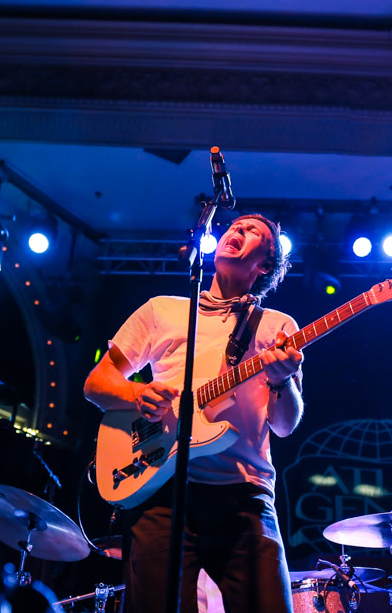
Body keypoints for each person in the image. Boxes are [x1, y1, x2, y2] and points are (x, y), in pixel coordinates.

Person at [84, 214, 304, 613]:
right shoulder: (162, 311)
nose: (237, 231)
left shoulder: (276, 326)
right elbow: (97, 384)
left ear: (265, 265)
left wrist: (282, 381)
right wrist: (138, 395)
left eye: (253, 231)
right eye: (235, 226)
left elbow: (286, 424)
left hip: (245, 493)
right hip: (161, 486)